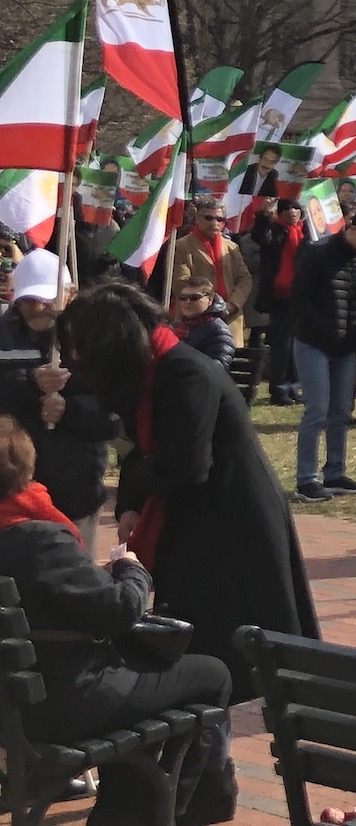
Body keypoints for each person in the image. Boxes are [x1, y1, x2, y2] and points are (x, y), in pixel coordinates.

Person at [61, 280, 319, 701]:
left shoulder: (185, 372)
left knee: (236, 628)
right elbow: (139, 451)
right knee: (196, 625)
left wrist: (140, 490)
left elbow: (187, 464)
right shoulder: (151, 371)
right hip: (191, 511)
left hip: (231, 512)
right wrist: (129, 503)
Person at [0, 416, 237, 823]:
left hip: (15, 703)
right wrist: (132, 568)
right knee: (212, 674)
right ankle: (179, 810)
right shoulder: (37, 538)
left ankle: (125, 809)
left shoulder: (32, 540)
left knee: (146, 679)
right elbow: (122, 610)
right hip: (62, 703)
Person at [0, 249, 107, 547]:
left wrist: (68, 410)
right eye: (29, 299)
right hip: (11, 496)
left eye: (48, 298)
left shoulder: (94, 338)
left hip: (76, 493)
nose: (39, 306)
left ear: (70, 294)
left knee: (76, 585)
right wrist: (29, 384)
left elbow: (114, 416)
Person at [287, 208, 356, 501]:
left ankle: (335, 473)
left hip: (346, 345)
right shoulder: (318, 252)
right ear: (352, 228)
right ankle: (306, 479)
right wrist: (321, 329)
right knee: (317, 409)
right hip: (313, 342)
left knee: (341, 411)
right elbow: (299, 298)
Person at [167, 196, 255, 345]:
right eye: (209, 218)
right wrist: (207, 305)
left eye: (220, 219)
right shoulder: (181, 246)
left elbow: (245, 279)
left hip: (230, 319)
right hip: (196, 321)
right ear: (197, 218)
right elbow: (181, 282)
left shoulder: (231, 247)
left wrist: (231, 305)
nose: (214, 223)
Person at [249, 197, 304, 403]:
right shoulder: (275, 230)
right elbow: (259, 236)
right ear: (279, 212)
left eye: (296, 208)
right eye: (287, 208)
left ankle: (294, 387)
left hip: (302, 296)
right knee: (282, 345)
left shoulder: (307, 232)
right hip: (281, 296)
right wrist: (263, 214)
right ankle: (279, 388)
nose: (292, 212)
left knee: (297, 345)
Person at [169, 278, 236, 367]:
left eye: (194, 298)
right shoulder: (176, 326)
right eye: (183, 298)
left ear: (210, 300)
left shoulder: (218, 330)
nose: (187, 302)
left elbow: (218, 367)